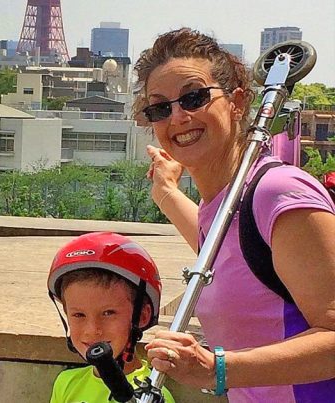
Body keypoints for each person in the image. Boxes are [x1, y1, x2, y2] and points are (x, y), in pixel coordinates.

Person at [138, 28, 335, 402]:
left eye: (194, 98)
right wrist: (166, 193)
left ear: (237, 102)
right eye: (160, 108)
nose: (178, 116)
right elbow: (228, 258)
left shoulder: (279, 192)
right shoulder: (221, 205)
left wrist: (216, 368)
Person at [47, 232, 175, 403]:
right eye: (79, 315)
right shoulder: (66, 383)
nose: (92, 330)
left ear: (141, 316)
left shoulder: (153, 395)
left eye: (108, 313)